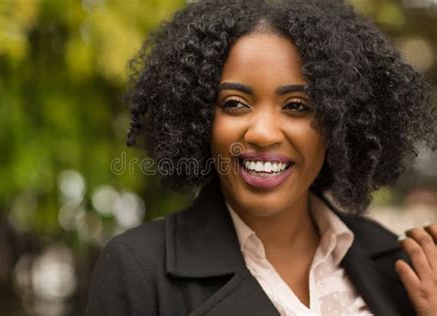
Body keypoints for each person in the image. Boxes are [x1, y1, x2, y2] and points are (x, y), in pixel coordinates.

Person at [85, 0, 437, 315]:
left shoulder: (398, 265)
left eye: (297, 106)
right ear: (201, 118)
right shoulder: (138, 270)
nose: (263, 133)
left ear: (339, 122)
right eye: (235, 104)